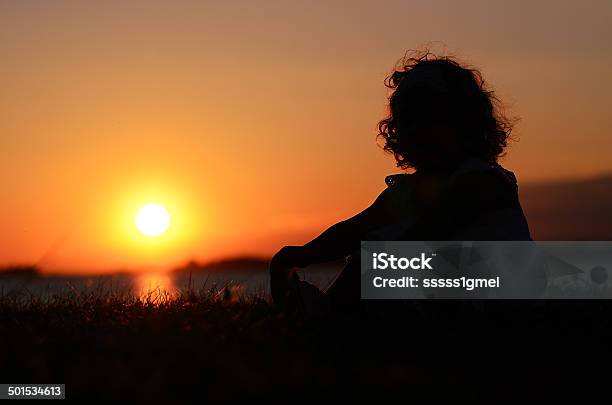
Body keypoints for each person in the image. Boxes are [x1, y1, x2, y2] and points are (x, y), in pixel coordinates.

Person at [269, 51, 532, 315]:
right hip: (446, 298)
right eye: (409, 120)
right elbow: (357, 228)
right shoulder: (408, 192)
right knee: (378, 257)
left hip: (503, 301)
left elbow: (432, 229)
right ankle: (328, 315)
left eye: (435, 118)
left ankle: (330, 317)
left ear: (468, 125)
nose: (420, 131)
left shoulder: (481, 182)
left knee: (382, 259)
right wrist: (304, 254)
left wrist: (379, 253)